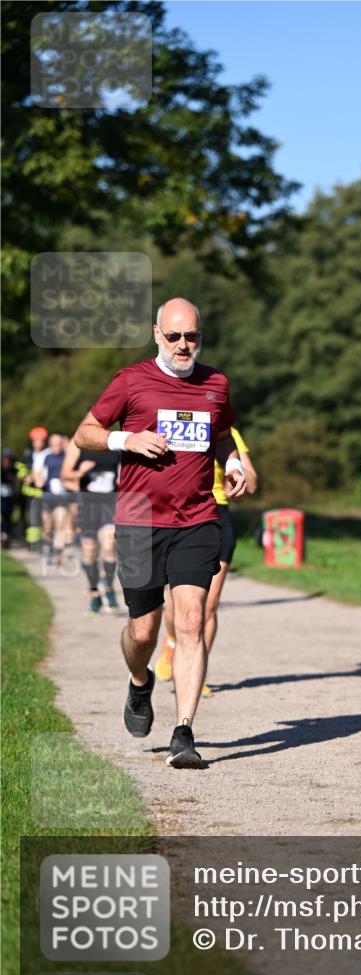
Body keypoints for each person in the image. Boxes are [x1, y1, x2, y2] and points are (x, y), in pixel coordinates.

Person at [72, 297, 246, 769]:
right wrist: (125, 439)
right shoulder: (131, 381)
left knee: (189, 621)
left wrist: (230, 461)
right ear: (156, 335)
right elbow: (84, 432)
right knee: (143, 629)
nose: (183, 345)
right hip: (138, 520)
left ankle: (184, 731)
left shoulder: (216, 383)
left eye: (192, 336)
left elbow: (223, 432)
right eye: (174, 336)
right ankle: (139, 681)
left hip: (196, 519)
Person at [153, 426, 258, 695]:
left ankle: (194, 675)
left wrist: (239, 477)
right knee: (176, 604)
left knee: (208, 605)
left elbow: (253, 480)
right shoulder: (172, 421)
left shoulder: (226, 430)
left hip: (218, 515)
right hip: (180, 514)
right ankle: (173, 644)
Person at [61, 438, 120, 614]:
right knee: (89, 551)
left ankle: (108, 587)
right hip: (87, 507)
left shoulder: (115, 443)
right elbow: (65, 475)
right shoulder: (79, 444)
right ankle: (94, 593)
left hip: (109, 504)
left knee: (109, 544)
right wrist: (80, 472)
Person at [35, 433, 73, 566]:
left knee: (60, 524)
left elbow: (72, 472)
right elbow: (38, 473)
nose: (56, 446)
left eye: (58, 443)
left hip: (62, 497)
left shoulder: (67, 456)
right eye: (54, 443)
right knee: (47, 526)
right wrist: (39, 480)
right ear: (50, 444)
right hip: (47, 496)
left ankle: (59, 553)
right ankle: (48, 549)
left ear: (62, 444)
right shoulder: (45, 456)